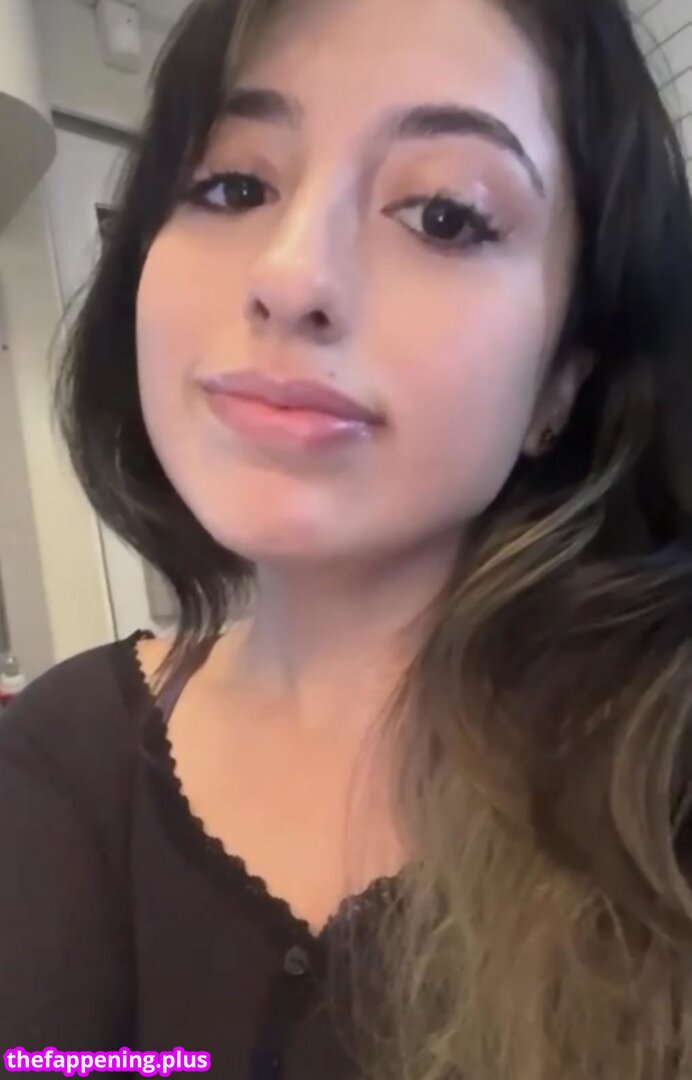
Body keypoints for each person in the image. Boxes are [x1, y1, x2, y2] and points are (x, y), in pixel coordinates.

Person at [2, 0, 692, 1076]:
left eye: (445, 216)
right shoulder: (54, 755)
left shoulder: (661, 777)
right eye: (234, 186)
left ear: (564, 377)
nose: (290, 277)